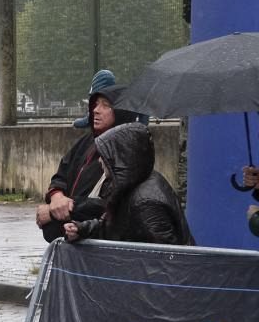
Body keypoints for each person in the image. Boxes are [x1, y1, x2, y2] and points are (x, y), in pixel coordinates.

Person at [36, 79, 143, 242]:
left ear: (121, 111)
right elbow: (61, 174)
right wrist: (56, 197)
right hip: (71, 242)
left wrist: (56, 212)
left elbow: (107, 204)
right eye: (95, 104)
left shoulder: (126, 153)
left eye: (105, 105)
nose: (96, 110)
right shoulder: (86, 142)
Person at [64, 123, 192, 246]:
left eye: (103, 156)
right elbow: (111, 226)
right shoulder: (133, 183)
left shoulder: (145, 202)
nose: (99, 161)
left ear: (119, 158)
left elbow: (165, 256)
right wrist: (81, 229)